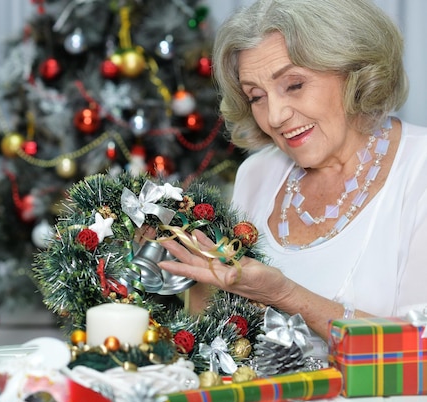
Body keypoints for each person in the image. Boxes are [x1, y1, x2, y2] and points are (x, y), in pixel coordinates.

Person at [157, 0, 427, 344]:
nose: (274, 116)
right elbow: (212, 334)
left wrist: (286, 295)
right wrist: (193, 270)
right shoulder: (257, 173)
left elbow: (420, 349)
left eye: (294, 85)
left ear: (353, 71)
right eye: (256, 96)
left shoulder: (420, 169)